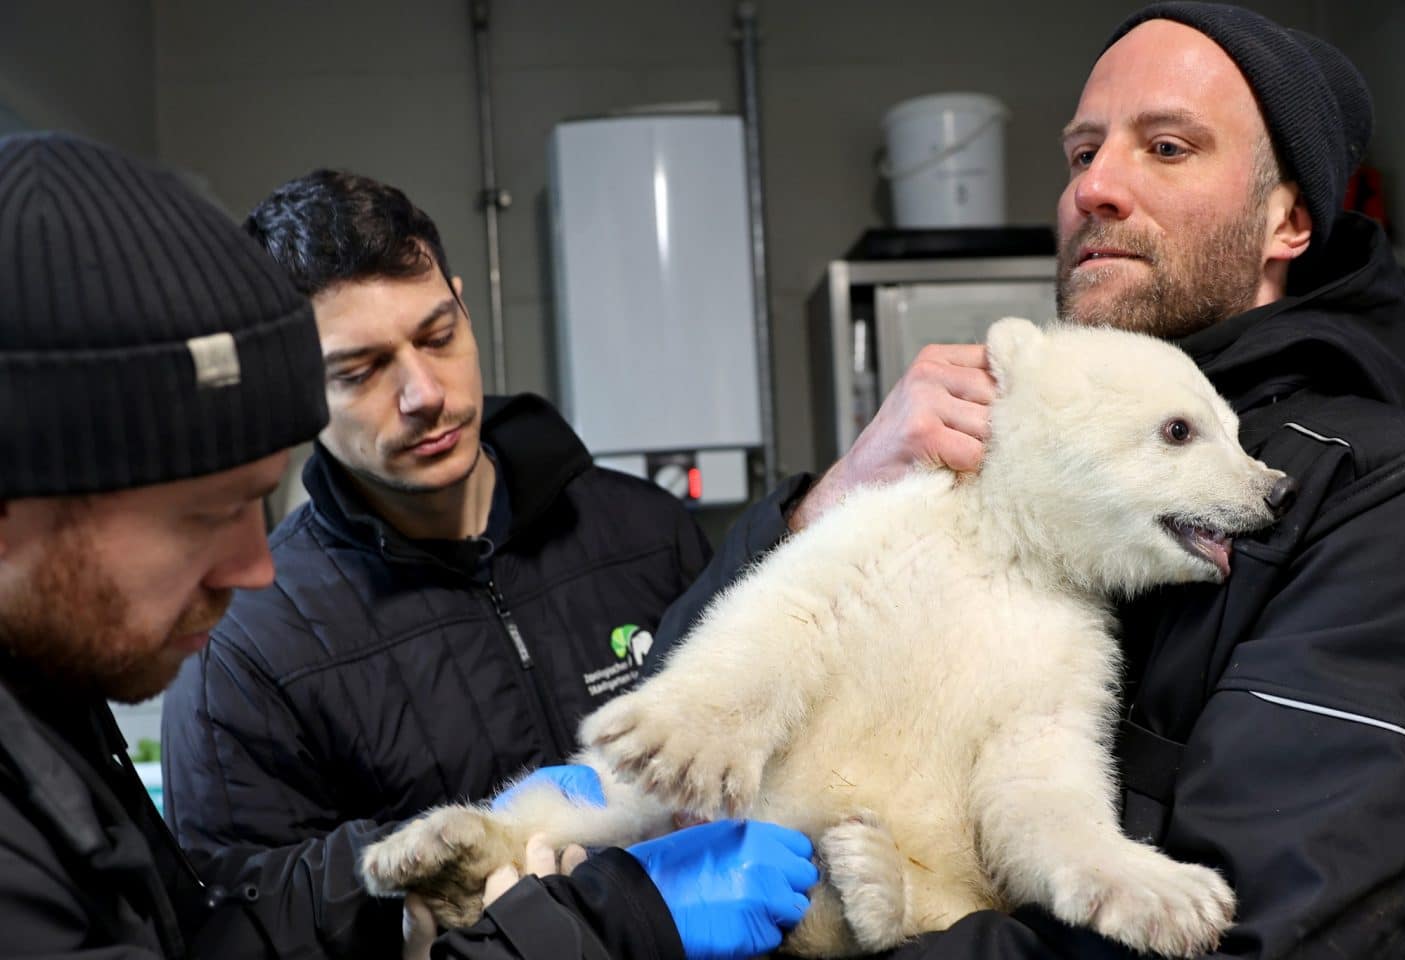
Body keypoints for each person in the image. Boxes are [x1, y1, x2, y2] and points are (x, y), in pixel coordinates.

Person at [654, 4, 1405, 958]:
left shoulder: (1385, 497)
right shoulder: (1001, 447)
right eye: (1082, 154)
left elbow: (1265, 926)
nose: (1095, 187)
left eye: (1167, 146)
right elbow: (676, 763)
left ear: (1290, 218)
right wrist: (833, 501)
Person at [0, 133, 817, 960]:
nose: (424, 393)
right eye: (359, 370)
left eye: (437, 336)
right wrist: (565, 911)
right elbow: (234, 933)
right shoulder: (250, 650)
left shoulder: (641, 530)